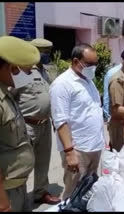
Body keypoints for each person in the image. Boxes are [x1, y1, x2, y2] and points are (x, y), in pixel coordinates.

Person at [49, 44, 105, 200]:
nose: (93, 68)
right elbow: (60, 121)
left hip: (94, 146)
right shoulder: (62, 84)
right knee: (73, 193)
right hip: (78, 148)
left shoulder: (88, 80)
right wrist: (69, 152)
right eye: (89, 64)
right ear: (76, 61)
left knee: (89, 190)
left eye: (95, 64)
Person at [11, 38, 61, 205]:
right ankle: (20, 198)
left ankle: (40, 192)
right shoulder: (21, 72)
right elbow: (10, 97)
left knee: (43, 161)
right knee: (23, 163)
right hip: (27, 125)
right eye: (43, 53)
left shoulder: (45, 71)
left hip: (45, 124)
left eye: (48, 52)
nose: (46, 56)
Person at [0, 36, 39, 211]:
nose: (29, 76)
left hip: (17, 185)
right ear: (12, 68)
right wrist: (2, 201)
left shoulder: (7, 93)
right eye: (27, 71)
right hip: (5, 192)